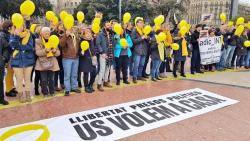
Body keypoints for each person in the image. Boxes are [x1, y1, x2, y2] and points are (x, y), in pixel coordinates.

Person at [9, 25, 35, 103]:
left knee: (27, 79)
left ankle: (27, 94)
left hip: (28, 60)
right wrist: (17, 36)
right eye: (18, 26)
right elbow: (12, 46)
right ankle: (20, 96)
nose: (20, 27)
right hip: (17, 61)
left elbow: (30, 47)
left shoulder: (28, 34)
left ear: (24, 26)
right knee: (19, 79)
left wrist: (19, 47)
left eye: (22, 26)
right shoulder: (13, 35)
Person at [35, 27, 60, 97]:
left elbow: (58, 53)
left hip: (52, 63)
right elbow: (37, 53)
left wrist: (55, 52)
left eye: (48, 33)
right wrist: (45, 51)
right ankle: (45, 93)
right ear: (42, 34)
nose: (47, 35)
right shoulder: (38, 41)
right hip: (42, 63)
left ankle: (52, 92)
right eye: (45, 33)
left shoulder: (53, 40)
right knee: (43, 80)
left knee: (51, 79)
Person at [60, 27, 81, 96]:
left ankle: (74, 87)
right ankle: (67, 89)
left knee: (74, 74)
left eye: (73, 27)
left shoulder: (76, 36)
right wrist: (66, 35)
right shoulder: (64, 36)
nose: (72, 29)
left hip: (76, 58)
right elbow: (61, 44)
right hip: (67, 58)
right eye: (70, 28)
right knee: (67, 75)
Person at [96, 21, 114, 91]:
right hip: (103, 54)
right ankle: (99, 84)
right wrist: (102, 53)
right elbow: (98, 44)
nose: (109, 26)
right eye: (107, 25)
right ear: (104, 27)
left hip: (110, 53)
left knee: (108, 69)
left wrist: (112, 52)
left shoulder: (111, 34)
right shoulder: (100, 34)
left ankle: (106, 82)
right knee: (102, 69)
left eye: (110, 25)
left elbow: (113, 44)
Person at [79, 28, 97, 93]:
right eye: (87, 33)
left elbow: (94, 48)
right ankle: (86, 87)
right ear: (84, 34)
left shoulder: (91, 40)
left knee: (94, 73)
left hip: (92, 59)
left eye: (89, 33)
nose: (89, 34)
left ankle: (90, 85)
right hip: (85, 59)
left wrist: (94, 53)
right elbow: (79, 52)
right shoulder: (81, 41)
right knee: (86, 73)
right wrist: (82, 52)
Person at [131, 18, 148, 83]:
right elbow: (133, 41)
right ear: (137, 23)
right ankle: (134, 77)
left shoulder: (143, 30)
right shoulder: (134, 30)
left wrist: (147, 38)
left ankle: (139, 76)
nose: (141, 24)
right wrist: (141, 38)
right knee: (136, 65)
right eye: (140, 23)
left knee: (142, 64)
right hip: (137, 51)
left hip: (144, 50)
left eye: (142, 23)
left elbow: (146, 40)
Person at [0, 21, 11, 105]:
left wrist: (4, 58)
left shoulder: (1, 36)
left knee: (0, 81)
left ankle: (1, 98)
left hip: (1, 62)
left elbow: (6, 48)